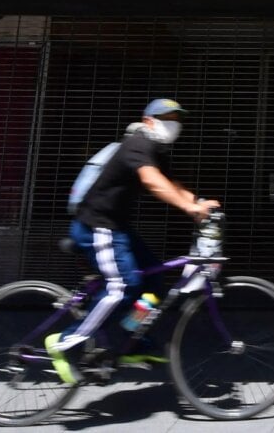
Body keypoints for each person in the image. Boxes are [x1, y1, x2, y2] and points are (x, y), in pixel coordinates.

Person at [46, 98, 218, 384]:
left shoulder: (156, 150)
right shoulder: (138, 143)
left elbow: (170, 184)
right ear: (148, 120)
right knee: (123, 286)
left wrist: (199, 202)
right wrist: (190, 209)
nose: (174, 123)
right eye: (167, 117)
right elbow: (152, 181)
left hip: (117, 229)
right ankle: (65, 341)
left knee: (153, 285)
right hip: (97, 227)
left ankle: (132, 339)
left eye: (177, 118)